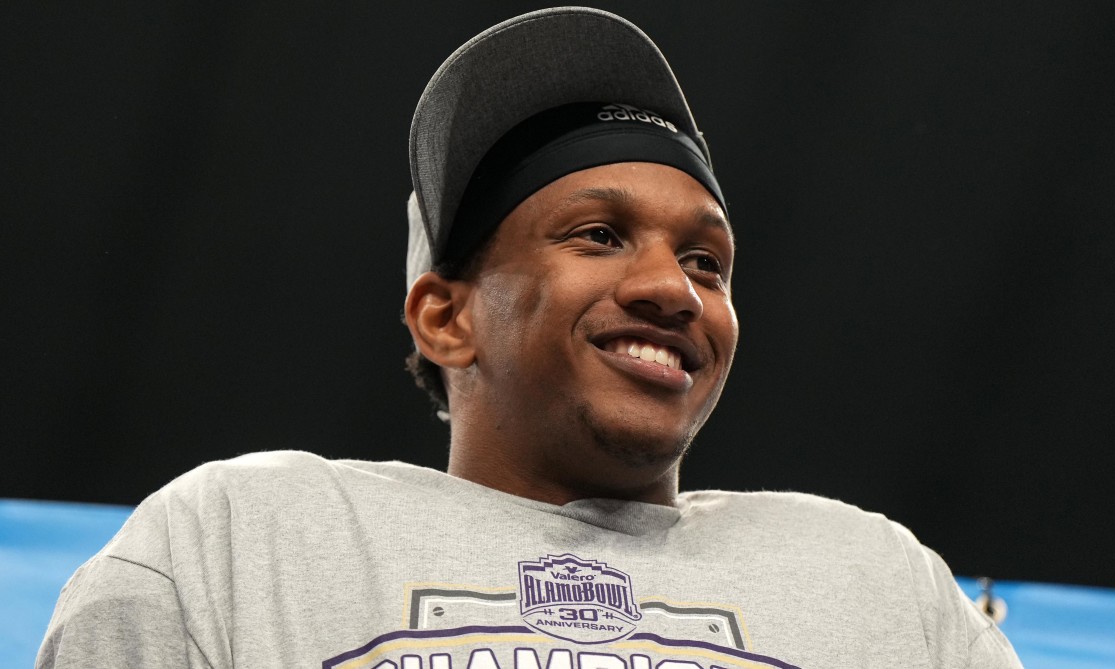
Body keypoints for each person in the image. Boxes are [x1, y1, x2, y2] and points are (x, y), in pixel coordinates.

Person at [37, 7, 1021, 668]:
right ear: (447, 316)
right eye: (599, 236)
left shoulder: (880, 583)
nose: (671, 289)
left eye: (706, 262)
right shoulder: (240, 540)